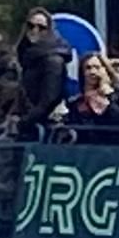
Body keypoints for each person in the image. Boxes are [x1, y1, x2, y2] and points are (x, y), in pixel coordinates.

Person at [15, 8, 72, 140]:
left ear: (49, 30)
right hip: (31, 124)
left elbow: (49, 99)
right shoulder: (26, 55)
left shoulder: (54, 61)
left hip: (48, 128)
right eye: (31, 26)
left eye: (41, 27)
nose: (35, 31)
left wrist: (24, 122)